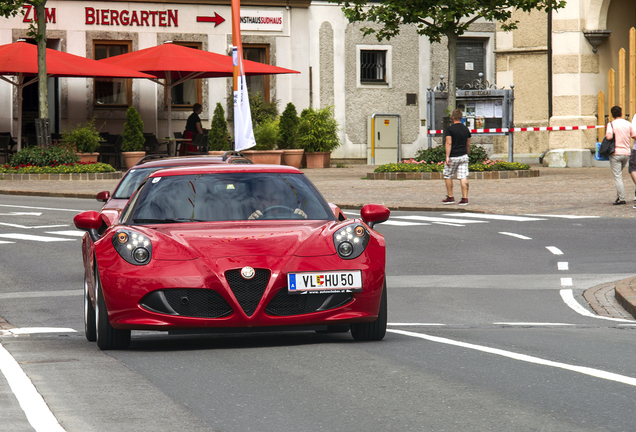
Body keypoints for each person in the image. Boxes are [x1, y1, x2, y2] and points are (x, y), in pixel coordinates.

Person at [606, 105, 636, 205]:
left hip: (615, 153)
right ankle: (619, 195)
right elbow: (634, 135)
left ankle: (621, 198)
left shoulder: (611, 124)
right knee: (619, 173)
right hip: (626, 153)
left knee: (618, 176)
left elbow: (609, 136)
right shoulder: (628, 123)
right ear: (621, 113)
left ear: (612, 115)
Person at [441, 108, 471, 205]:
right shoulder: (466, 129)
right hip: (463, 155)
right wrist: (467, 153)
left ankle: (450, 197)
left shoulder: (450, 129)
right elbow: (468, 144)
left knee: (448, 175)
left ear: (453, 117)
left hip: (453, 156)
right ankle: (465, 198)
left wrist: (447, 156)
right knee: (463, 176)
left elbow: (448, 143)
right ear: (461, 118)